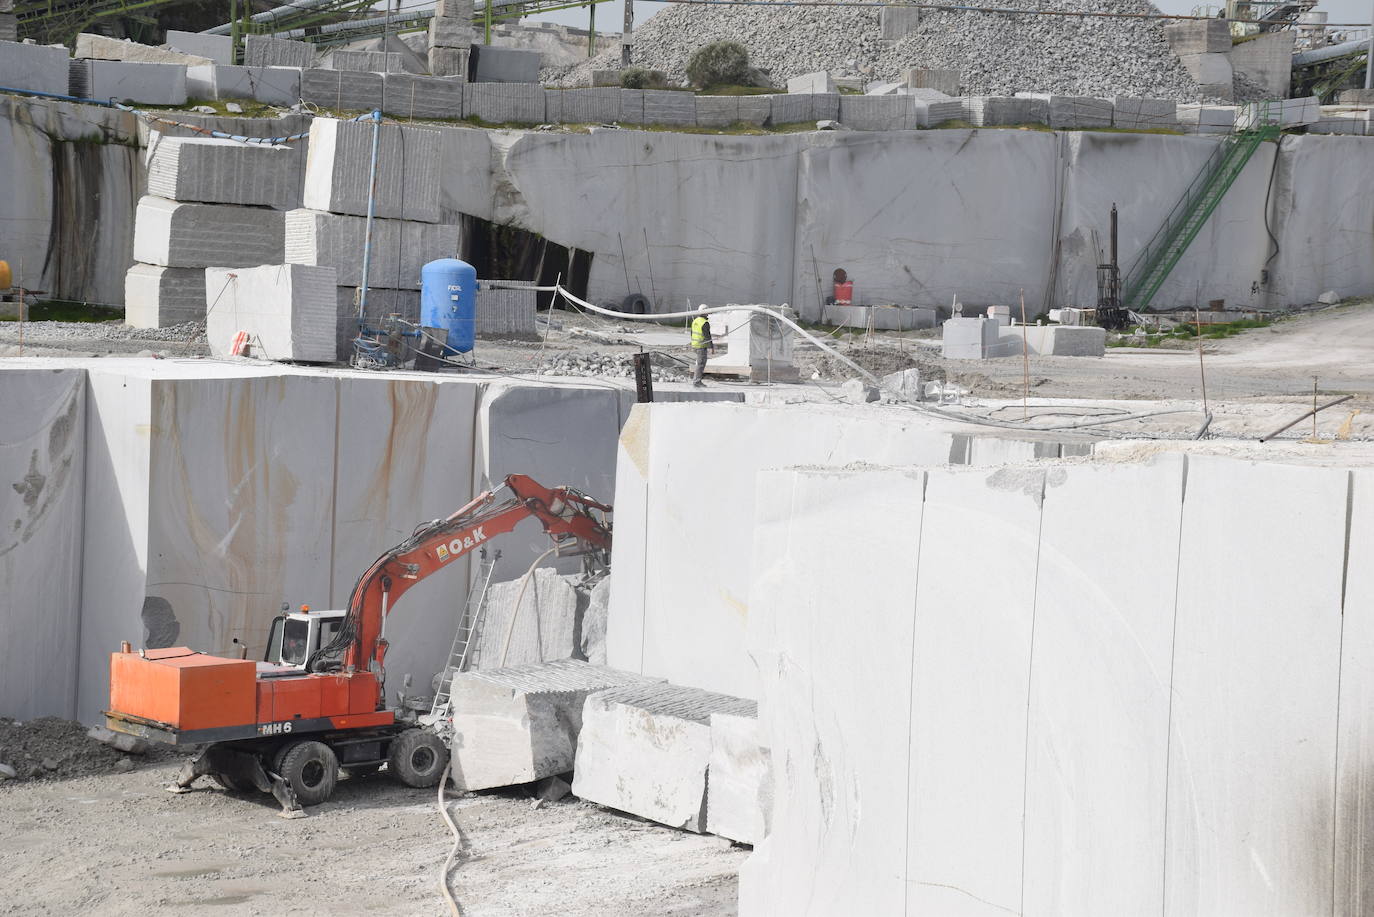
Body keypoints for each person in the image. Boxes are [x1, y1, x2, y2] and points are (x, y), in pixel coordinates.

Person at [690, 305, 715, 387]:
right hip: (701, 346)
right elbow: (707, 336)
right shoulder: (704, 322)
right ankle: (697, 381)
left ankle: (696, 380)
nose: (708, 314)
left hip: (695, 345)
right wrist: (711, 347)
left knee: (699, 363)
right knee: (701, 364)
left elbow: (691, 333)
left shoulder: (695, 321)